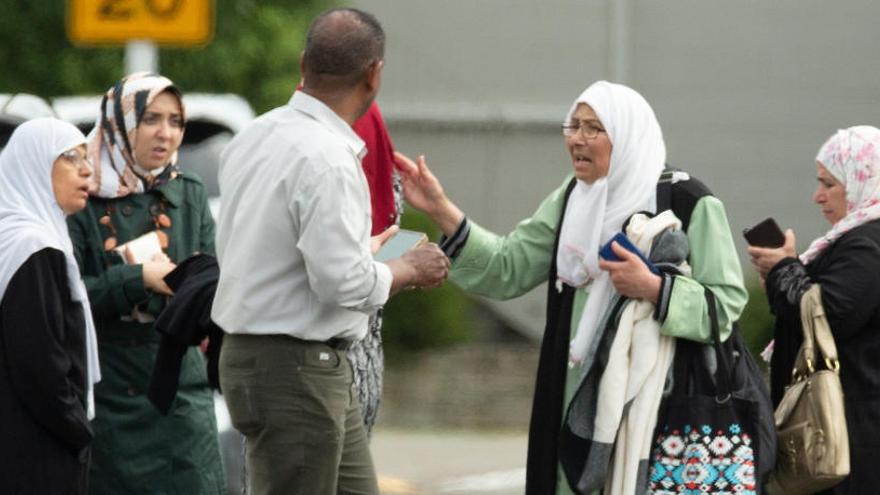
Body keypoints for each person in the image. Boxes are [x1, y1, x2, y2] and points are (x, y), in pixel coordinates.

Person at [395, 80, 747, 494]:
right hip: (572, 400)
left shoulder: (688, 201)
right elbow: (508, 266)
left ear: (627, 135)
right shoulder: (574, 198)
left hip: (654, 408)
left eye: (593, 128)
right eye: (573, 126)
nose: (577, 139)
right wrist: (440, 208)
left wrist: (654, 287)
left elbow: (724, 304)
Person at [212, 8, 449, 495]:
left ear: (304, 63)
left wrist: (363, 252)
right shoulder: (328, 157)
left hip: (271, 357)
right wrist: (406, 267)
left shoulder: (256, 134)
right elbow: (342, 283)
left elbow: (277, 253)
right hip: (295, 367)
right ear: (374, 74)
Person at [67, 73, 224, 493]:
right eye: (152, 119)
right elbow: (69, 297)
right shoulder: (83, 198)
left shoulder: (188, 192)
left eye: (176, 121)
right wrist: (138, 278)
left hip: (181, 393)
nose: (166, 133)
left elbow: (210, 276)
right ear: (120, 122)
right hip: (113, 394)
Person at [748, 125, 880, 492]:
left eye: (828, 184)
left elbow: (828, 315)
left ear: (860, 182)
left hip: (851, 443)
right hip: (843, 433)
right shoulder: (852, 241)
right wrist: (783, 273)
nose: (817, 196)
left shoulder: (867, 246)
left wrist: (783, 269)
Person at [0, 118, 100, 493]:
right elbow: (38, 360)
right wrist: (77, 427)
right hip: (36, 448)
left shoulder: (18, 235)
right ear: (35, 165)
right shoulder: (32, 247)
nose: (87, 169)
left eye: (87, 157)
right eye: (71, 158)